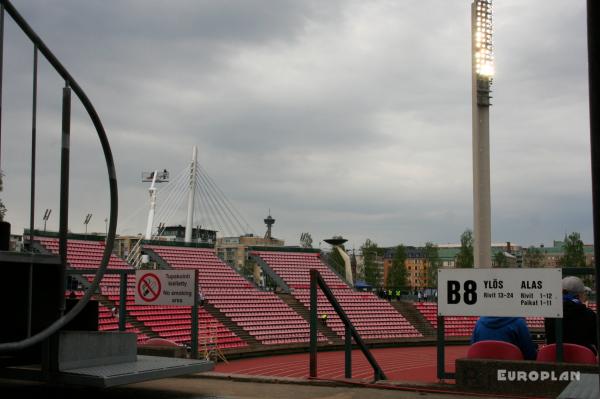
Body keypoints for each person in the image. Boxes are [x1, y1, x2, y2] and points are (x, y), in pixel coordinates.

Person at [545, 276, 597, 354]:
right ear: (579, 295)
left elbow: (549, 342)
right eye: (583, 293)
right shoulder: (589, 315)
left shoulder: (551, 315)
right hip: (583, 361)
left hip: (556, 361)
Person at [471, 316, 537, 360]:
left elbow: (472, 353)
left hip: (484, 374)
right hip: (512, 374)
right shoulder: (519, 323)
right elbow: (530, 356)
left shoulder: (479, 323)